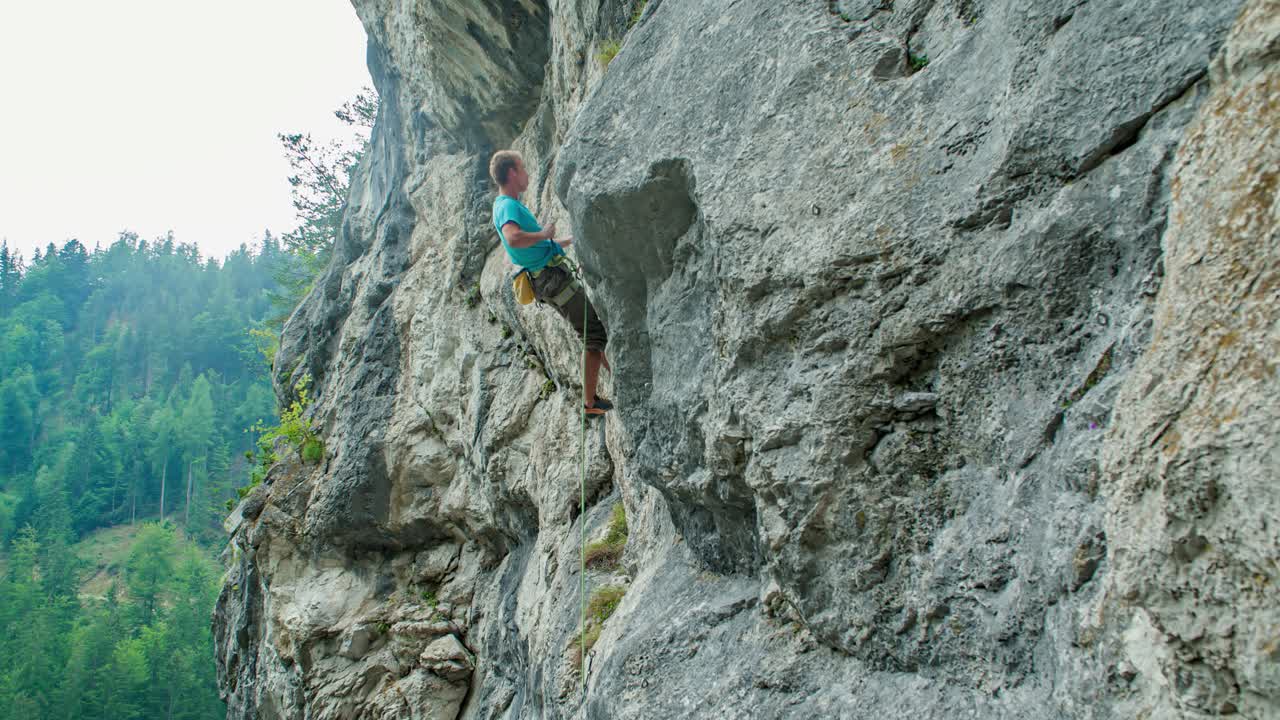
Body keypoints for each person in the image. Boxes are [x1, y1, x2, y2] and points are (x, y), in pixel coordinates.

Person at [490, 150, 612, 415]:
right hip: (552, 279)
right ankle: (590, 403)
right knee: (593, 335)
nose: (527, 174)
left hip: (546, 279)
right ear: (512, 172)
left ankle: (612, 375)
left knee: (589, 328)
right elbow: (513, 239)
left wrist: (566, 241)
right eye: (523, 168)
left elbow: (532, 245)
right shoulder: (508, 206)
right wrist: (543, 232)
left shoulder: (503, 206)